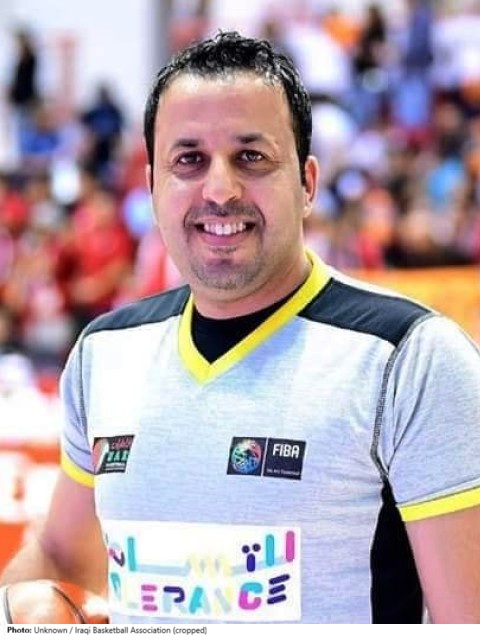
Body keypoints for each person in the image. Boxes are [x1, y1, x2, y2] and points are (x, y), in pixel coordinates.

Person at [1, 31, 480, 625]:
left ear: (307, 184)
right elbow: (61, 558)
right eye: (189, 160)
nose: (220, 189)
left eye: (251, 157)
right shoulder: (105, 353)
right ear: (151, 186)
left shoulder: (409, 358)